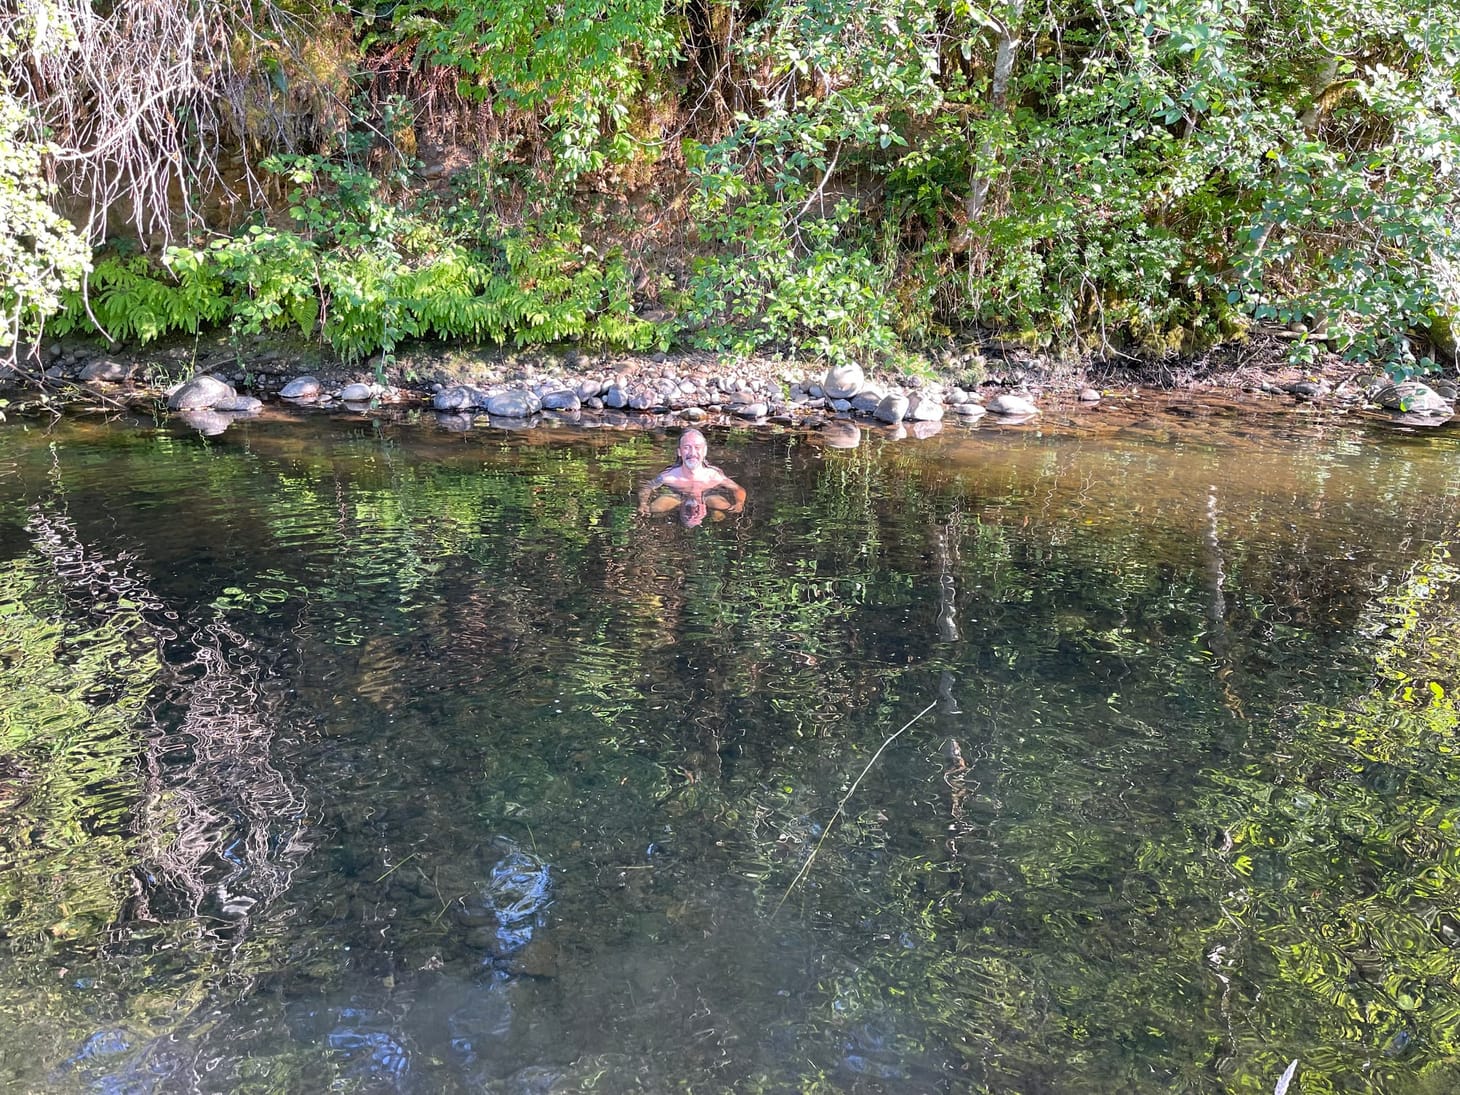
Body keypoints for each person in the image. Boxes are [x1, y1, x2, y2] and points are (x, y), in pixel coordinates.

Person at [638, 428, 746, 524]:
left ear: (704, 451)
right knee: (654, 509)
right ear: (679, 452)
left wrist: (739, 503)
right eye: (687, 447)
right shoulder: (668, 477)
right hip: (676, 497)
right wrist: (643, 504)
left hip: (707, 497)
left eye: (697, 447)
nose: (692, 453)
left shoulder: (714, 476)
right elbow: (647, 487)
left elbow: (738, 489)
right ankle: (671, 511)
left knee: (725, 507)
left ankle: (713, 510)